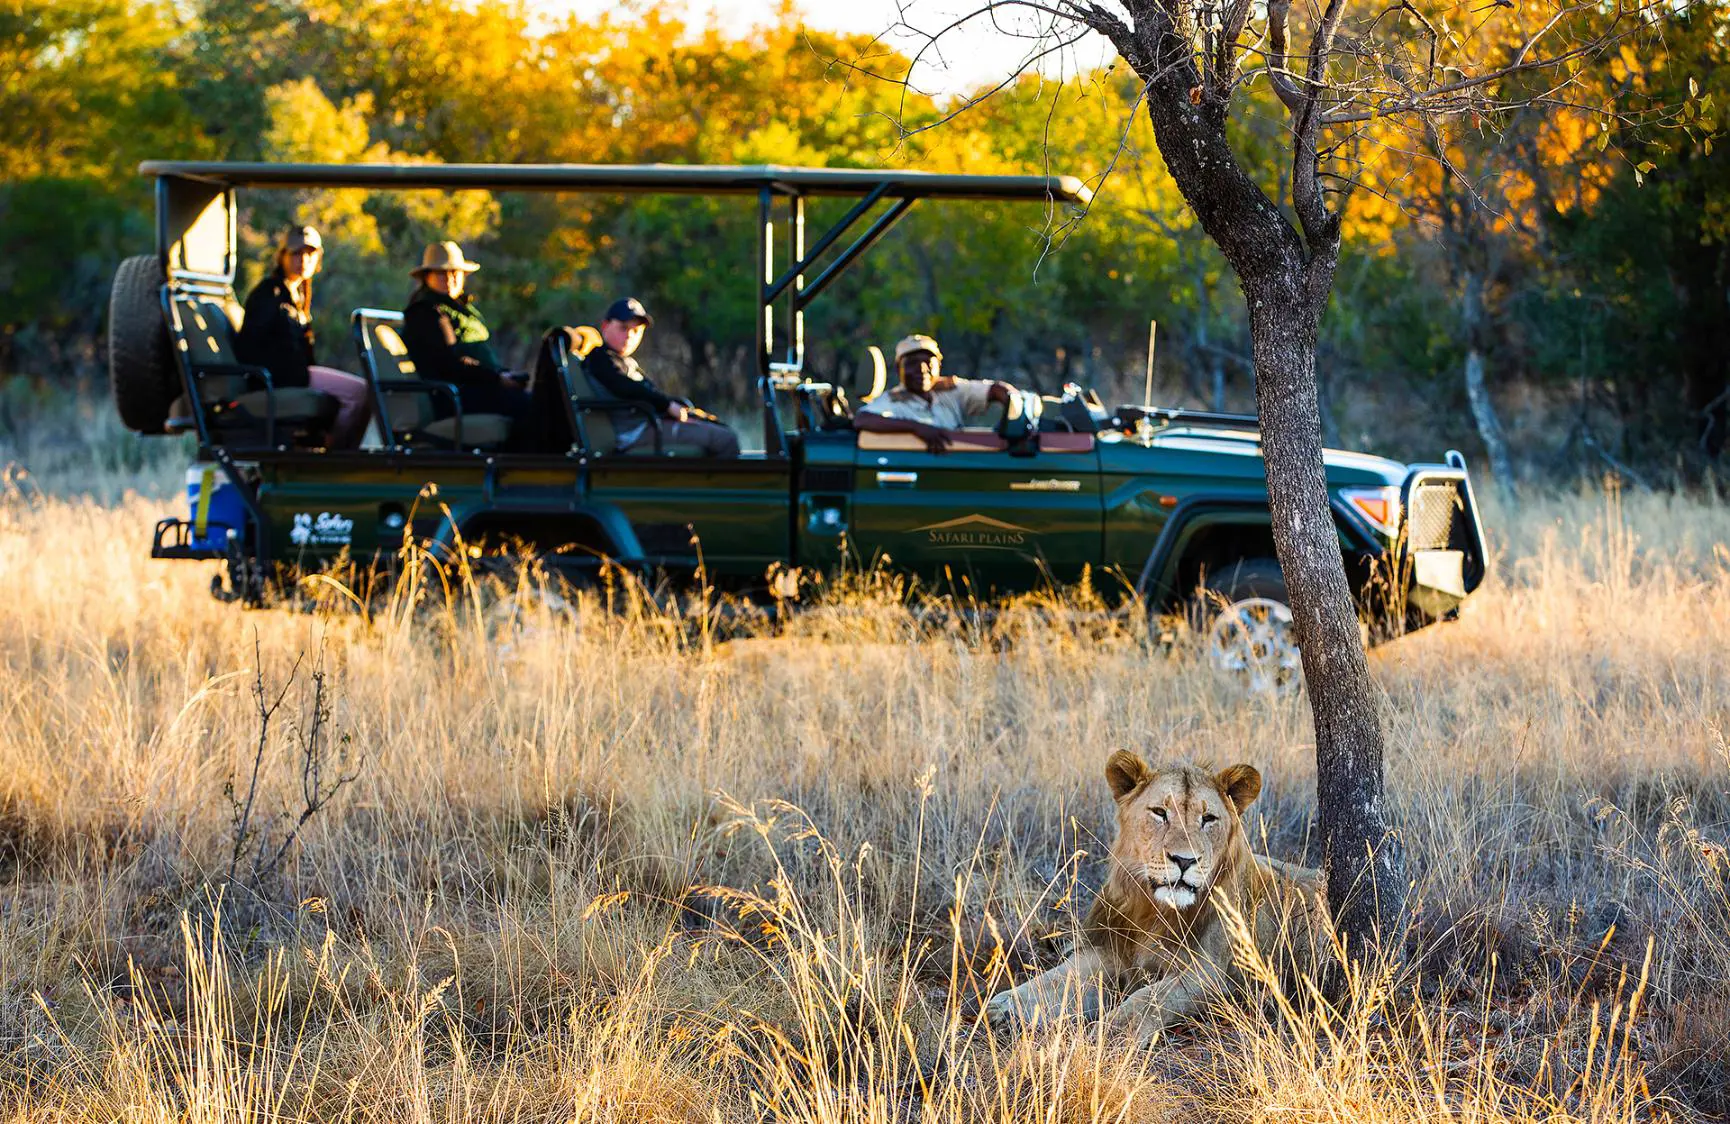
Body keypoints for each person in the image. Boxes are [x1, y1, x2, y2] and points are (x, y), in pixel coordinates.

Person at [234, 225, 373, 448]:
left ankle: (327, 447)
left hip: (296, 375)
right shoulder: (269, 293)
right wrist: (281, 375)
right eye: (296, 253)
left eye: (310, 253)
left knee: (362, 392)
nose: (303, 259)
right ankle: (337, 461)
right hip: (281, 378)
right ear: (282, 257)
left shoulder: (296, 295)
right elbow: (250, 346)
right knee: (360, 393)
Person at [579, 297, 740, 457]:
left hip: (648, 424)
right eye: (623, 328)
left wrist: (674, 407)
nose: (629, 336)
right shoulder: (600, 358)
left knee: (719, 428)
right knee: (725, 440)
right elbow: (624, 386)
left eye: (635, 331)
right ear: (605, 326)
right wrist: (666, 405)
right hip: (634, 432)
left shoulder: (625, 362)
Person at [400, 241, 532, 428]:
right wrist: (496, 379)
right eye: (441, 273)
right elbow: (450, 363)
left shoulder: (460, 308)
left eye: (454, 272)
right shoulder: (427, 312)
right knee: (527, 406)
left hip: (473, 388)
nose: (449, 278)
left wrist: (502, 375)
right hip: (452, 396)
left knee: (536, 401)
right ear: (427, 277)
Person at [852, 334, 1015, 454]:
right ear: (898, 369)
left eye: (929, 363)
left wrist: (1014, 407)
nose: (922, 370)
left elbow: (995, 390)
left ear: (939, 366)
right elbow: (863, 419)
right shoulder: (893, 400)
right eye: (912, 364)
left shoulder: (950, 391)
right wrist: (915, 428)